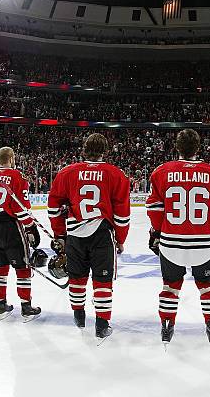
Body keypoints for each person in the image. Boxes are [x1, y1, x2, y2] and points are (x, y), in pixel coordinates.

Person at [146, 129, 210, 345]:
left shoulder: (161, 171)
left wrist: (157, 232)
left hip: (171, 243)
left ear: (177, 146)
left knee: (170, 287)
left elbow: (155, 209)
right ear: (198, 148)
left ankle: (167, 326)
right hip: (203, 244)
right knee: (208, 288)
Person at [47, 133, 130, 340]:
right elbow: (122, 214)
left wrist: (60, 234)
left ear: (84, 149)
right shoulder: (115, 174)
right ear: (105, 150)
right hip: (102, 234)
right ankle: (102, 325)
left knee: (77, 278)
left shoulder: (67, 173)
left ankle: (79, 316)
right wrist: (120, 239)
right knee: (102, 281)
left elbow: (53, 207)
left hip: (75, 234)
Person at [0, 147, 41, 321]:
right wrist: (30, 227)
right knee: (23, 268)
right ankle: (26, 307)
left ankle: (1, 305)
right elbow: (20, 208)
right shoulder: (17, 176)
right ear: (11, 158)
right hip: (11, 228)